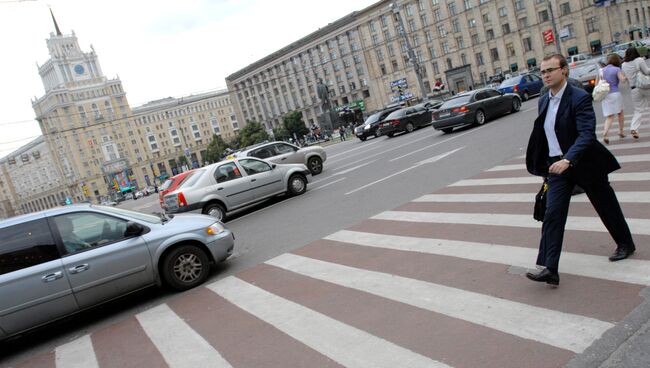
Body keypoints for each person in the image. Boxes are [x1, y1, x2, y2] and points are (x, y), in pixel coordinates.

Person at [525, 54, 636, 287]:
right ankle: (549, 268)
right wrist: (547, 164)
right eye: (542, 71)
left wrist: (568, 159)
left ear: (564, 70)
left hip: (585, 163)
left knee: (605, 205)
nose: (545, 75)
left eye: (550, 70)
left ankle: (625, 243)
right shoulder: (544, 100)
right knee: (553, 214)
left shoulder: (579, 97)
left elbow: (586, 134)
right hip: (557, 168)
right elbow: (547, 134)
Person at [621, 46, 650, 139]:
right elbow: (646, 71)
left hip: (633, 89)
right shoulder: (639, 60)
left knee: (638, 110)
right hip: (645, 86)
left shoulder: (623, 64)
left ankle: (634, 128)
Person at [600, 54, 627, 144]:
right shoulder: (617, 69)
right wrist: (626, 76)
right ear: (617, 61)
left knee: (610, 116)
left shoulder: (601, 70)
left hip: (605, 95)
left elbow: (597, 84)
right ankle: (621, 131)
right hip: (615, 93)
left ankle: (605, 132)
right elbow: (622, 80)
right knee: (620, 113)